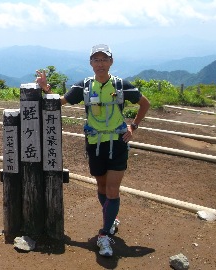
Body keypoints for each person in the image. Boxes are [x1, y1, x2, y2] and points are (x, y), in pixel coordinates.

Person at [36, 44, 150, 257]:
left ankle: (104, 234)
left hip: (117, 142)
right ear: (91, 63)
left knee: (113, 190)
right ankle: (111, 218)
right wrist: (46, 89)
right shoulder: (84, 86)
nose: (100, 63)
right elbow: (61, 102)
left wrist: (133, 126)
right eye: (96, 60)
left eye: (104, 59)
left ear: (111, 62)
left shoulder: (121, 85)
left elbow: (145, 103)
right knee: (102, 186)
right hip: (95, 143)